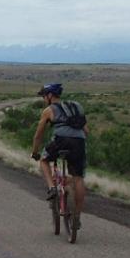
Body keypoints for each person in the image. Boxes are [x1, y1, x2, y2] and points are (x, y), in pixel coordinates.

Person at [30, 83, 88, 229]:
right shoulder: (76, 106)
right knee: (78, 178)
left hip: (60, 141)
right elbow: (86, 130)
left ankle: (52, 188)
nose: (43, 99)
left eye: (44, 96)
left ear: (50, 96)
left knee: (44, 160)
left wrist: (35, 152)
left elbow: (38, 135)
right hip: (78, 143)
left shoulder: (49, 110)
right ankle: (77, 217)